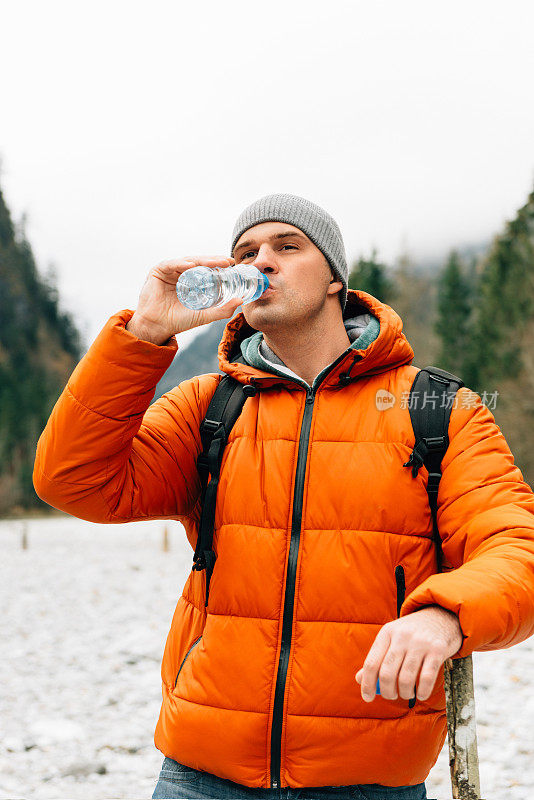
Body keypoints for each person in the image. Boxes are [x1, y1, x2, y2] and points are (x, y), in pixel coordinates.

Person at [33, 193, 534, 800]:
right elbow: (74, 481)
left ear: (334, 279)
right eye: (246, 252)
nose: (262, 260)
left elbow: (515, 548)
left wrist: (445, 613)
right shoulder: (208, 407)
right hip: (201, 773)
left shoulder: (437, 409)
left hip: (366, 780)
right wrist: (142, 334)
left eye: (287, 246)